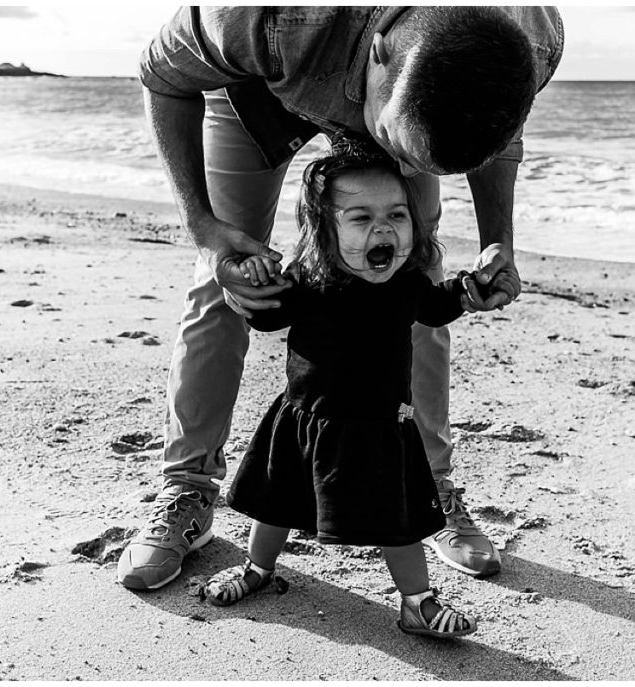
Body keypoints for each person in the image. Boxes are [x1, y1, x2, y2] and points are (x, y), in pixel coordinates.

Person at [118, 6, 564, 591]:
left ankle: (430, 487)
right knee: (222, 278)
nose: (402, 170)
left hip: (407, 93)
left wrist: (496, 242)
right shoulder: (263, 15)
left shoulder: (529, 33)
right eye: (400, 148)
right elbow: (164, 75)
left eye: (418, 166)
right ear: (380, 51)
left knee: (417, 277)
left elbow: (497, 134)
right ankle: (187, 485)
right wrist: (204, 228)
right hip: (264, 82)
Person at [204, 137, 478, 639]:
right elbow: (268, 319)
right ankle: (257, 569)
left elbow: (437, 308)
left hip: (380, 425)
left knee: (398, 522)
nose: (384, 229)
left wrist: (468, 290)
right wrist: (255, 275)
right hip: (308, 417)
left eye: (397, 215)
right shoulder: (308, 281)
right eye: (360, 218)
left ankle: (416, 602)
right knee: (276, 505)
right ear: (324, 230)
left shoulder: (408, 283)